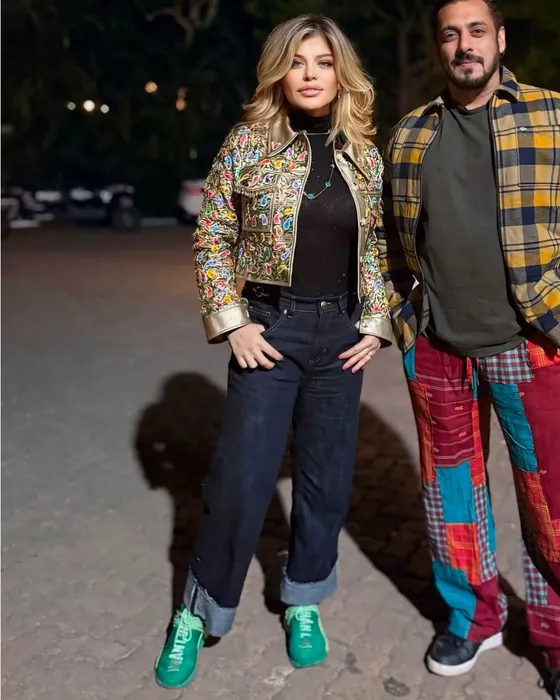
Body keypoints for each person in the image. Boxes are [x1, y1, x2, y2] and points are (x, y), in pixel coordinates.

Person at [378, 1, 560, 698]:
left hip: (530, 345)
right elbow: (387, 237)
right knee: (451, 498)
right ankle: (474, 616)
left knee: (554, 503)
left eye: (477, 31)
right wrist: (403, 318)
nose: (464, 45)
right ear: (439, 46)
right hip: (437, 349)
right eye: (450, 34)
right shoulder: (412, 134)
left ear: (500, 39)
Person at [154, 14, 392, 690]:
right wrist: (232, 322)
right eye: (298, 62)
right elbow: (212, 234)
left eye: (323, 62)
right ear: (279, 73)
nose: (310, 74)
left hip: (339, 338)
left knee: (326, 481)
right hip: (268, 332)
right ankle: (199, 612)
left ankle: (304, 597)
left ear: (341, 73)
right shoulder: (248, 143)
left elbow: (377, 245)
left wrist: (375, 323)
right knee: (240, 480)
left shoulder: (363, 153)